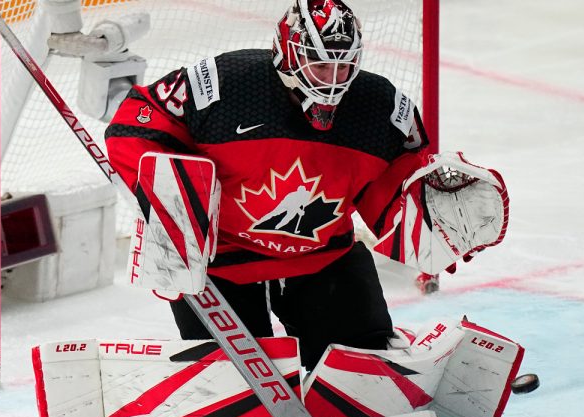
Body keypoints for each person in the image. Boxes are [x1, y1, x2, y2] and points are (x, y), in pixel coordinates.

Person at [105, 0, 502, 369]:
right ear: (289, 55)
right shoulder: (223, 84)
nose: (333, 80)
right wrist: (168, 207)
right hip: (219, 262)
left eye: (343, 67)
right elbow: (136, 121)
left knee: (362, 368)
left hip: (323, 257)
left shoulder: (383, 108)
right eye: (320, 66)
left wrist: (435, 223)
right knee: (228, 378)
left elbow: (395, 191)